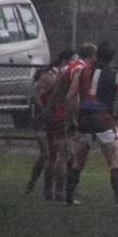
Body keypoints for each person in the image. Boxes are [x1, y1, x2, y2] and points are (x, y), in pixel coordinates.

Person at [63, 42, 118, 207]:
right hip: (104, 120)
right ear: (112, 59)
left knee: (78, 161)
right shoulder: (116, 75)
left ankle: (68, 199)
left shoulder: (82, 72)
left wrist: (72, 119)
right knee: (114, 160)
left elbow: (70, 96)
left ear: (96, 56)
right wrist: (117, 117)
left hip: (84, 120)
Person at [37, 43, 96, 203]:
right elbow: (72, 96)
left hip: (52, 111)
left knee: (52, 155)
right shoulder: (80, 69)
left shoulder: (67, 66)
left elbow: (49, 89)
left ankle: (48, 192)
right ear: (92, 56)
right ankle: (61, 195)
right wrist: (72, 119)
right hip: (61, 112)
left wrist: (47, 107)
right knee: (65, 155)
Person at [25, 49, 76, 197]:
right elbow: (36, 96)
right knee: (48, 154)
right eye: (73, 60)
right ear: (64, 62)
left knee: (62, 154)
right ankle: (33, 184)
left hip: (56, 118)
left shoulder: (67, 77)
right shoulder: (50, 76)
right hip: (46, 120)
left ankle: (56, 189)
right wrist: (43, 112)